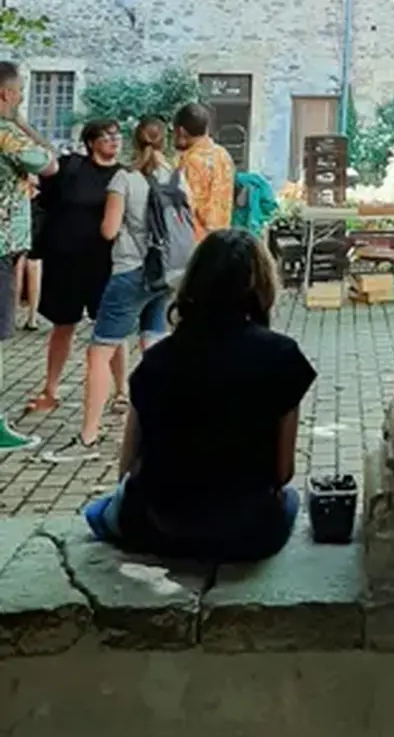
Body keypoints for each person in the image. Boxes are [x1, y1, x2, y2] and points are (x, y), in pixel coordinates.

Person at [84, 229, 316, 561]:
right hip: (246, 533)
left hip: (159, 527)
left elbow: (128, 468)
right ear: (261, 285)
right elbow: (282, 473)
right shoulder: (282, 356)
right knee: (290, 500)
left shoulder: (157, 359)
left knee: (103, 510)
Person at [49, 117, 186, 461]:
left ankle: (88, 437)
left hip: (131, 271)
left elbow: (109, 230)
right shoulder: (175, 176)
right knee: (153, 346)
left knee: (99, 353)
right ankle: (160, 431)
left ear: (133, 143)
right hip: (167, 274)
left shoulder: (125, 178)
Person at [24, 119, 124, 418]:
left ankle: (121, 391)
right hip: (65, 262)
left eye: (117, 136)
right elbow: (44, 167)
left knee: (110, 330)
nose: (114, 140)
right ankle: (50, 389)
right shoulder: (71, 168)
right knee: (62, 326)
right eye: (107, 136)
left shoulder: (123, 176)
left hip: (104, 263)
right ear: (91, 142)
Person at [0, 61, 57, 454]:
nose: (22, 97)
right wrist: (21, 122)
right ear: (6, 94)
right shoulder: (5, 133)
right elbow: (48, 162)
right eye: (20, 91)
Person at [174, 103, 234, 238]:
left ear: (181, 131)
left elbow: (186, 207)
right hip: (223, 238)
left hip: (196, 241)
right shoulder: (223, 155)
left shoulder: (189, 161)